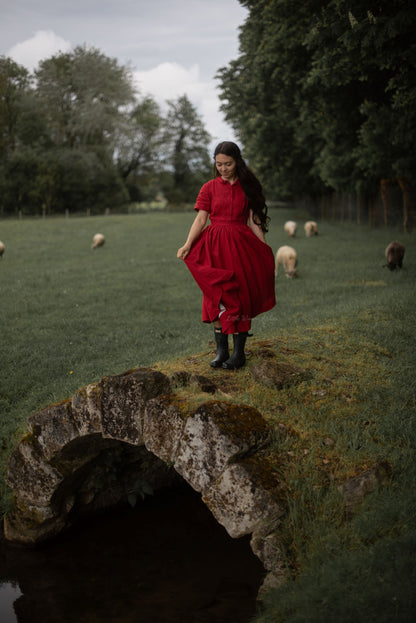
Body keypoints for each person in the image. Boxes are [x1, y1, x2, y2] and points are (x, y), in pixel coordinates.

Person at [177, 141, 276, 369]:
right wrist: (187, 243)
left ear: (237, 162)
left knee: (239, 294)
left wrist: (263, 249)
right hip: (213, 246)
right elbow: (201, 218)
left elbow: (254, 220)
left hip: (240, 246)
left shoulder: (248, 187)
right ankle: (221, 351)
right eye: (219, 164)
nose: (223, 168)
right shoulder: (209, 188)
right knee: (216, 294)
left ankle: (238, 353)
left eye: (228, 164)